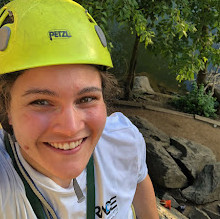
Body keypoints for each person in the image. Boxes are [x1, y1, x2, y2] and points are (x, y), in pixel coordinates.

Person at [0, 0, 159, 218]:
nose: (70, 128)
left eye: (86, 98)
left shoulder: (124, 144)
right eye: (41, 102)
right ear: (6, 107)